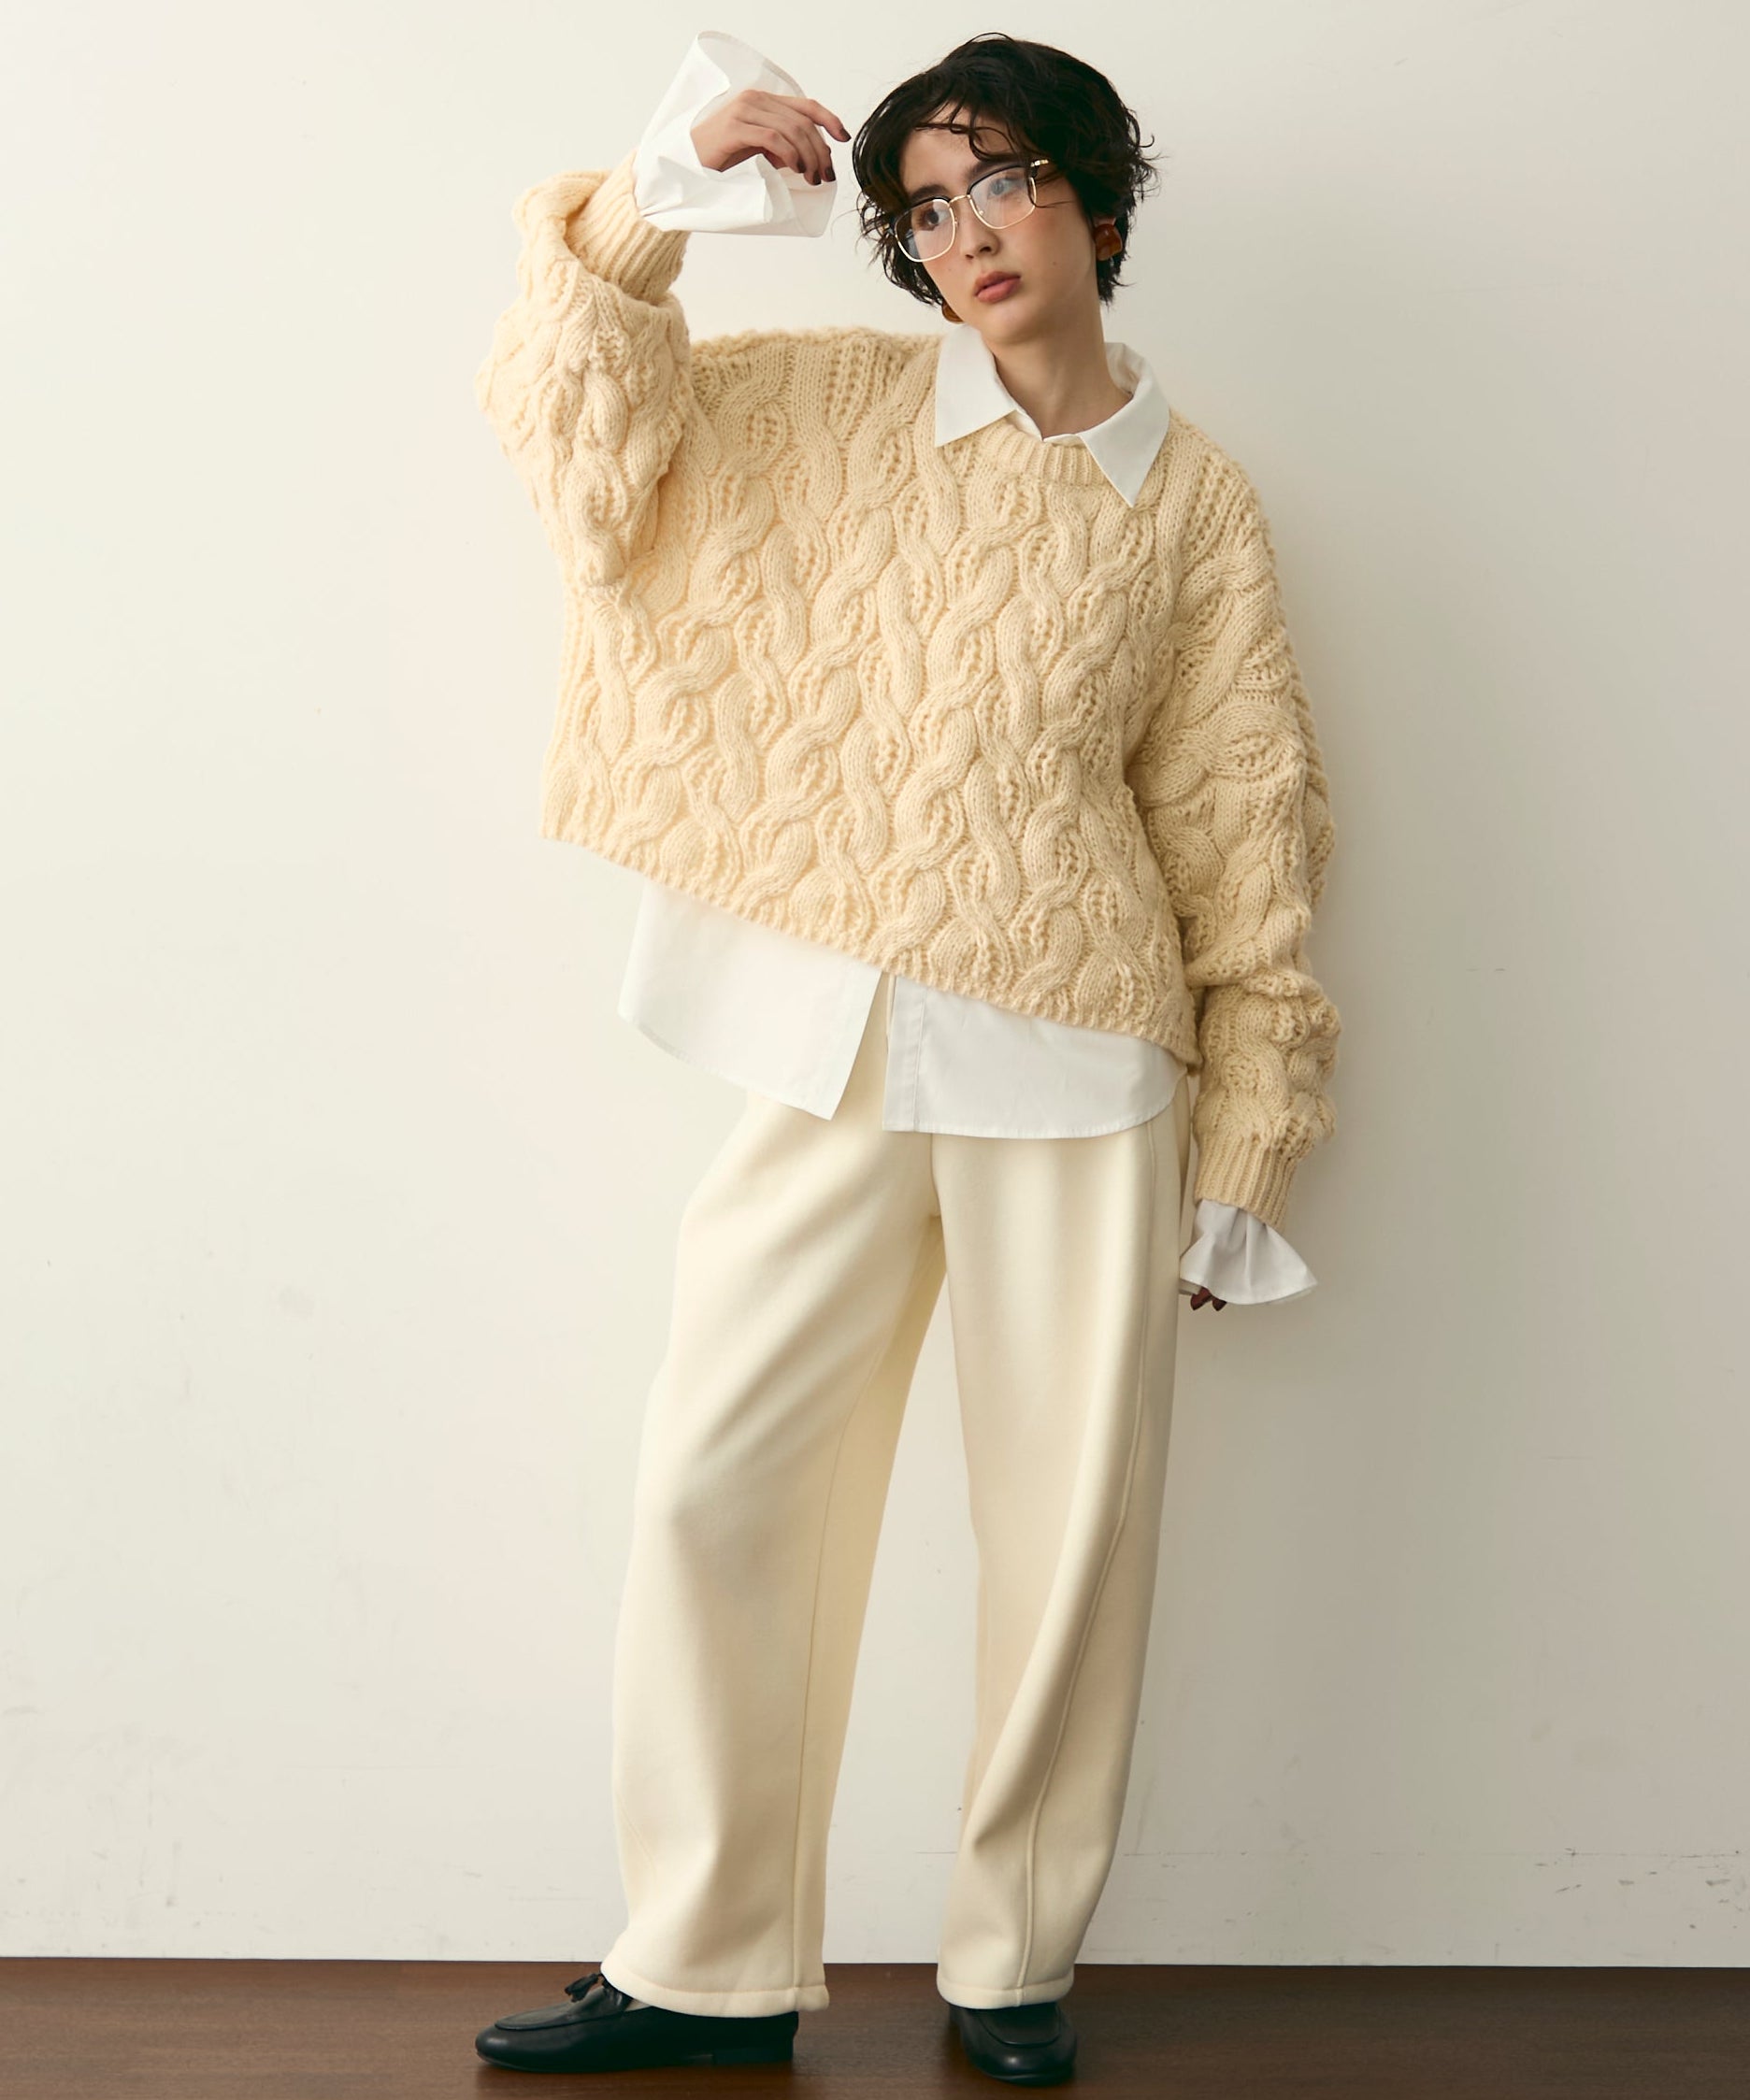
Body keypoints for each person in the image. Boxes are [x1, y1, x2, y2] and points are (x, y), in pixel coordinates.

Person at [471, 27, 1341, 2084]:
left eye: (1006, 181)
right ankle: (704, 1963)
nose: (971, 233)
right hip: (835, 1030)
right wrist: (658, 194)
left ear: (1098, 201)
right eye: (929, 207)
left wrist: (1253, 1135)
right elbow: (578, 447)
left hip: (1085, 1065)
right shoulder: (834, 406)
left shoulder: (1194, 502)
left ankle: (1012, 1957)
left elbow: (1244, 819)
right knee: (717, 1483)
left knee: (1068, 1540)